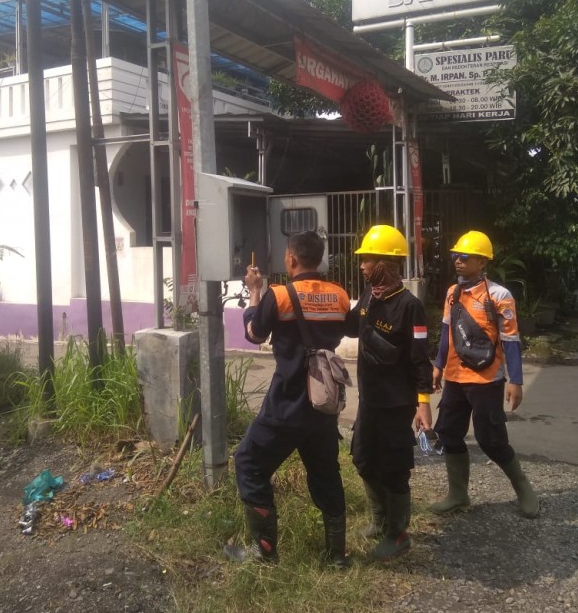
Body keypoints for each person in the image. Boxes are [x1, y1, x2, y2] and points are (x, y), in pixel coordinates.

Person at [223, 231, 351, 566]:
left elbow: (254, 334)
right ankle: (336, 555)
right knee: (326, 473)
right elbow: (346, 330)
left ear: (292, 258)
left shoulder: (279, 296)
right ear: (319, 259)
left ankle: (264, 551)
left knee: (248, 463)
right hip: (322, 406)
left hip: (285, 406)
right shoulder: (339, 295)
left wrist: (254, 291)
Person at [430, 230, 539, 518]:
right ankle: (458, 495)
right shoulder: (452, 293)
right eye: (456, 256)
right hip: (455, 378)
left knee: (491, 439)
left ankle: (523, 488)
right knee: (448, 434)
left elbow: (511, 340)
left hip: (486, 380)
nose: (458, 261)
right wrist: (438, 365)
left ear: (482, 262)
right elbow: (446, 332)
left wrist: (516, 380)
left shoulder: (499, 295)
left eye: (465, 257)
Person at [344, 224, 433, 561]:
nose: (362, 265)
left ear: (384, 262)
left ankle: (398, 535)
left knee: (395, 468)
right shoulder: (369, 296)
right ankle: (379, 521)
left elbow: (420, 356)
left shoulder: (410, 306)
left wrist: (423, 402)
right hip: (370, 400)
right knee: (363, 459)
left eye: (367, 259)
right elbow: (349, 325)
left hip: (397, 403)